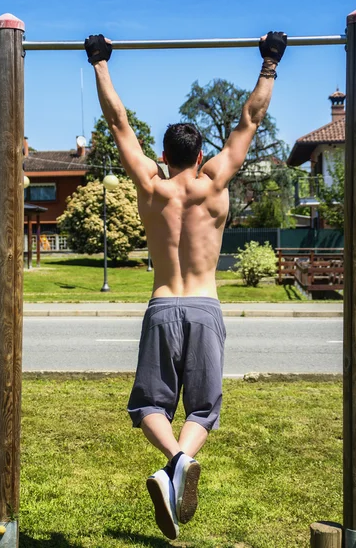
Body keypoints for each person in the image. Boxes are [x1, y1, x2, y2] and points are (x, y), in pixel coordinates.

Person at [85, 31, 287, 539]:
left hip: (161, 305)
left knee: (149, 405)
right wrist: (269, 62)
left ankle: (172, 461)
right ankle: (181, 462)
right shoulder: (214, 180)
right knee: (203, 409)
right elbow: (250, 120)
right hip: (204, 307)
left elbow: (117, 123)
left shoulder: (150, 186)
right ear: (199, 156)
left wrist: (100, 63)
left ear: (165, 155)